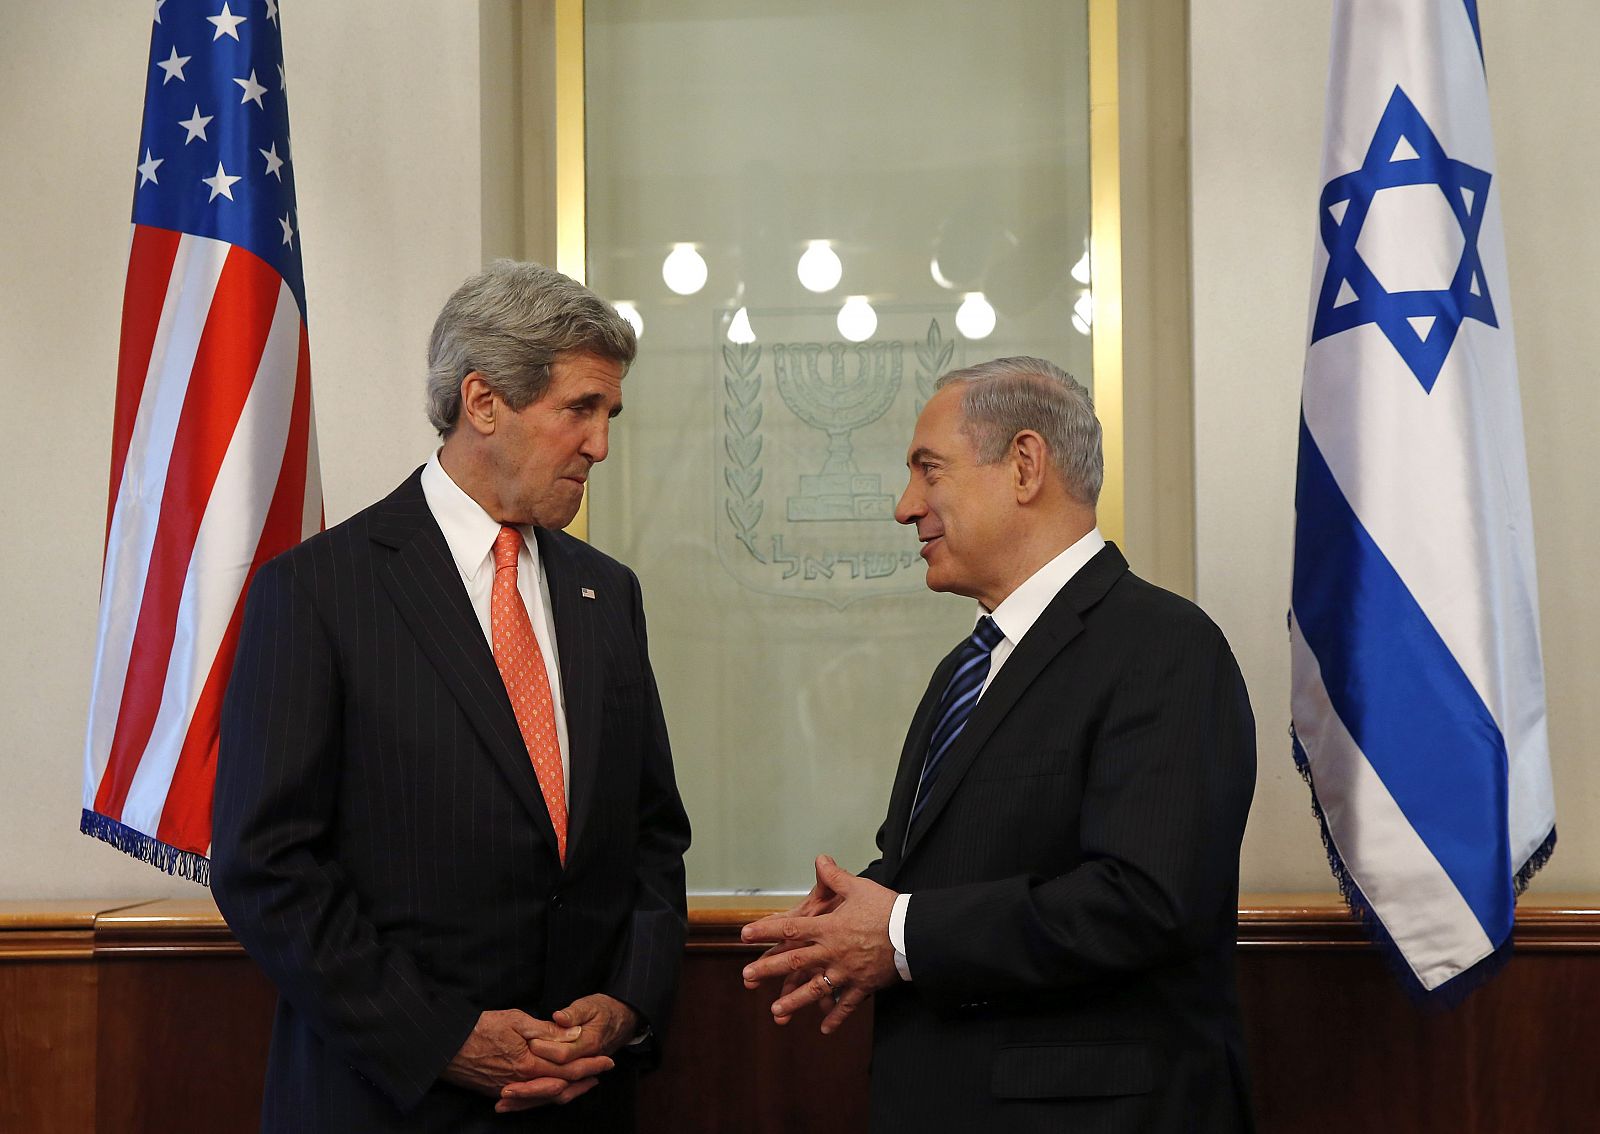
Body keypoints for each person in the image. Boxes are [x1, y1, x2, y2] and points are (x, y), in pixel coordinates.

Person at [212, 260, 690, 1132]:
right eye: (580, 410)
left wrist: (629, 1003)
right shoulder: (319, 592)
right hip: (390, 1098)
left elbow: (652, 835)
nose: (601, 446)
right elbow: (266, 866)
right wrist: (442, 1036)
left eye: (609, 415)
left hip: (583, 1098)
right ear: (483, 401)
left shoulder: (607, 592)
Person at [741, 357, 1257, 1132]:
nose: (904, 506)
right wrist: (856, 916)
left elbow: (1147, 901)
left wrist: (900, 932)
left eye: (928, 470)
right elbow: (970, 864)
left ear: (1023, 465)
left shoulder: (1168, 648)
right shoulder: (967, 666)